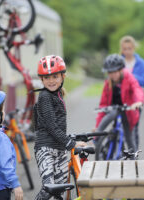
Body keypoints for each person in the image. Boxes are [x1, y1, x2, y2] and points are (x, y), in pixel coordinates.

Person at [33, 55, 86, 200]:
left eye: (55, 76)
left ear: (63, 76)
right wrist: (71, 143)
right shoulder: (44, 96)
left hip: (60, 149)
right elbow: (51, 126)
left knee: (60, 192)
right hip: (46, 149)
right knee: (49, 189)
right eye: (47, 78)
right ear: (41, 79)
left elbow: (59, 127)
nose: (51, 81)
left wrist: (67, 141)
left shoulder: (58, 95)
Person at [95, 54, 144, 153]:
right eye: (110, 72)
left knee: (129, 138)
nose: (112, 75)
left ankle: (134, 160)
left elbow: (137, 88)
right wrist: (97, 126)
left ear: (121, 69)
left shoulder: (128, 77)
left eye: (115, 72)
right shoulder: (108, 83)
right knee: (111, 114)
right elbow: (103, 105)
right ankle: (97, 137)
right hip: (115, 109)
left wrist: (138, 101)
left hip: (128, 111)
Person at [120, 35, 144, 148]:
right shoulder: (119, 61)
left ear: (133, 48)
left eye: (129, 48)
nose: (127, 51)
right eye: (124, 48)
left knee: (134, 128)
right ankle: (121, 153)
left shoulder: (141, 63)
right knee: (121, 128)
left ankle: (134, 153)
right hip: (122, 98)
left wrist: (131, 76)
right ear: (121, 49)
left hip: (136, 99)